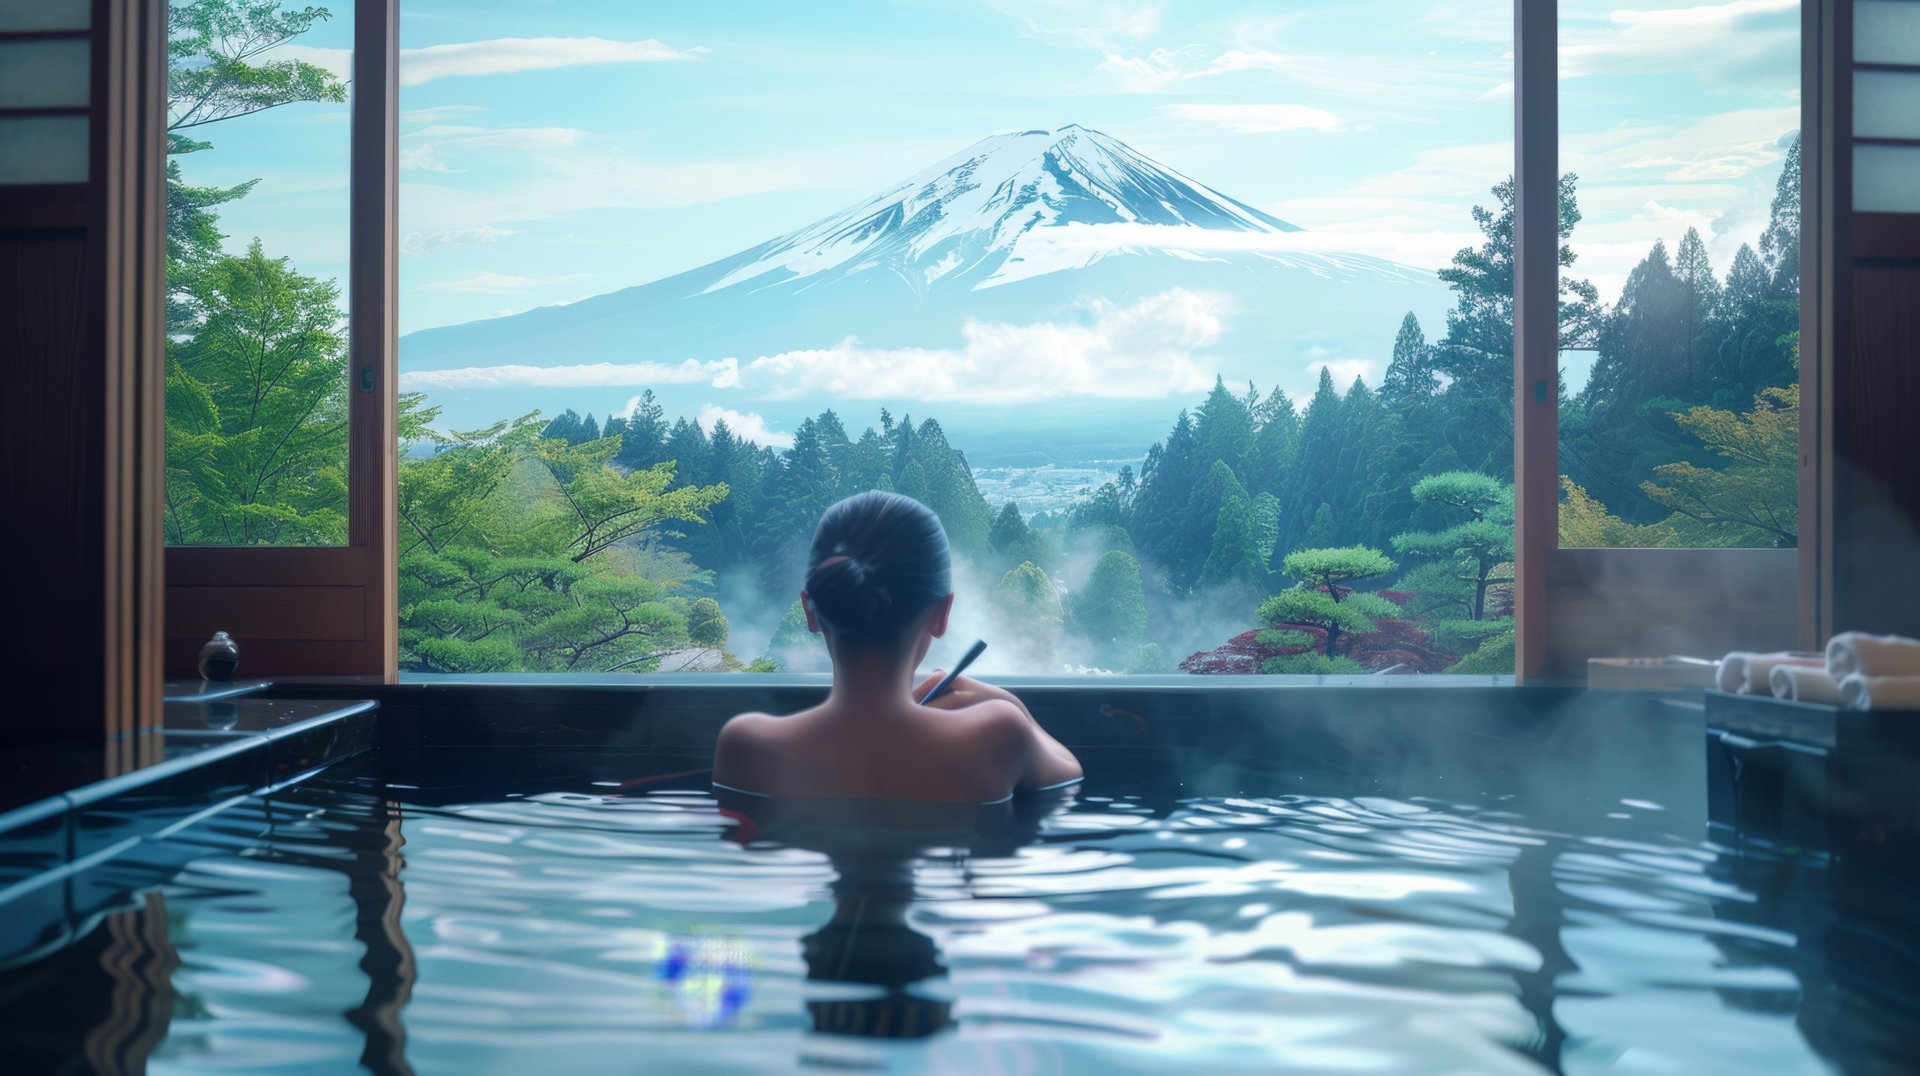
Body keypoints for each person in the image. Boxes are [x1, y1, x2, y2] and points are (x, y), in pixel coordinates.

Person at [712, 490, 1082, 803]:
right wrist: (1011, 706)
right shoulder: (999, 734)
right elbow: (1069, 775)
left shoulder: (747, 745)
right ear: (941, 615)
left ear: (811, 610)